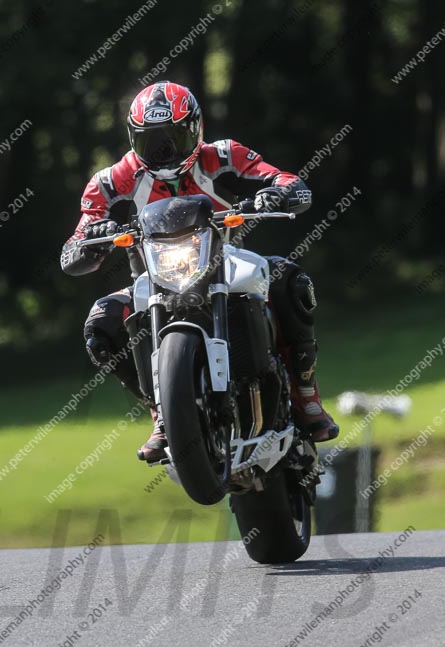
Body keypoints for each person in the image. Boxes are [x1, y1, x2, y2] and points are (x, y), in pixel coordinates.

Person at [61, 81, 338, 462]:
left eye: (172, 138)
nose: (163, 152)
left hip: (224, 262)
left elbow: (286, 179)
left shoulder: (224, 154)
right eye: (151, 142)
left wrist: (278, 191)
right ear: (132, 139)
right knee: (100, 326)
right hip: (153, 278)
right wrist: (94, 238)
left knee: (290, 280)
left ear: (195, 129)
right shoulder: (111, 180)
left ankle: (306, 394)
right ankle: (162, 413)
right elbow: (77, 240)